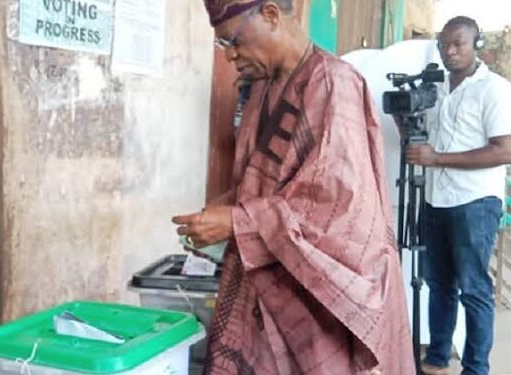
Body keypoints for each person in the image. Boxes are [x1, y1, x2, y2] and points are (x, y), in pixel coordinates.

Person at [172, 1, 415, 373]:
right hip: (271, 272)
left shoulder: (333, 83)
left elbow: (337, 207)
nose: (231, 56)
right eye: (223, 47)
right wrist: (218, 213)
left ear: (270, 15)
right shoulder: (261, 88)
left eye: (232, 41)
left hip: (320, 291)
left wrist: (238, 222)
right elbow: (259, 180)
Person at [405, 16, 511, 375]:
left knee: (473, 289)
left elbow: (504, 150)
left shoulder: (494, 89)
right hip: (436, 200)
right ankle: (436, 358)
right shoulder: (436, 88)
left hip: (475, 203)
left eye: (458, 44)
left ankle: (476, 368)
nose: (449, 51)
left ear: (476, 44)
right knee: (440, 286)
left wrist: (437, 159)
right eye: (444, 44)